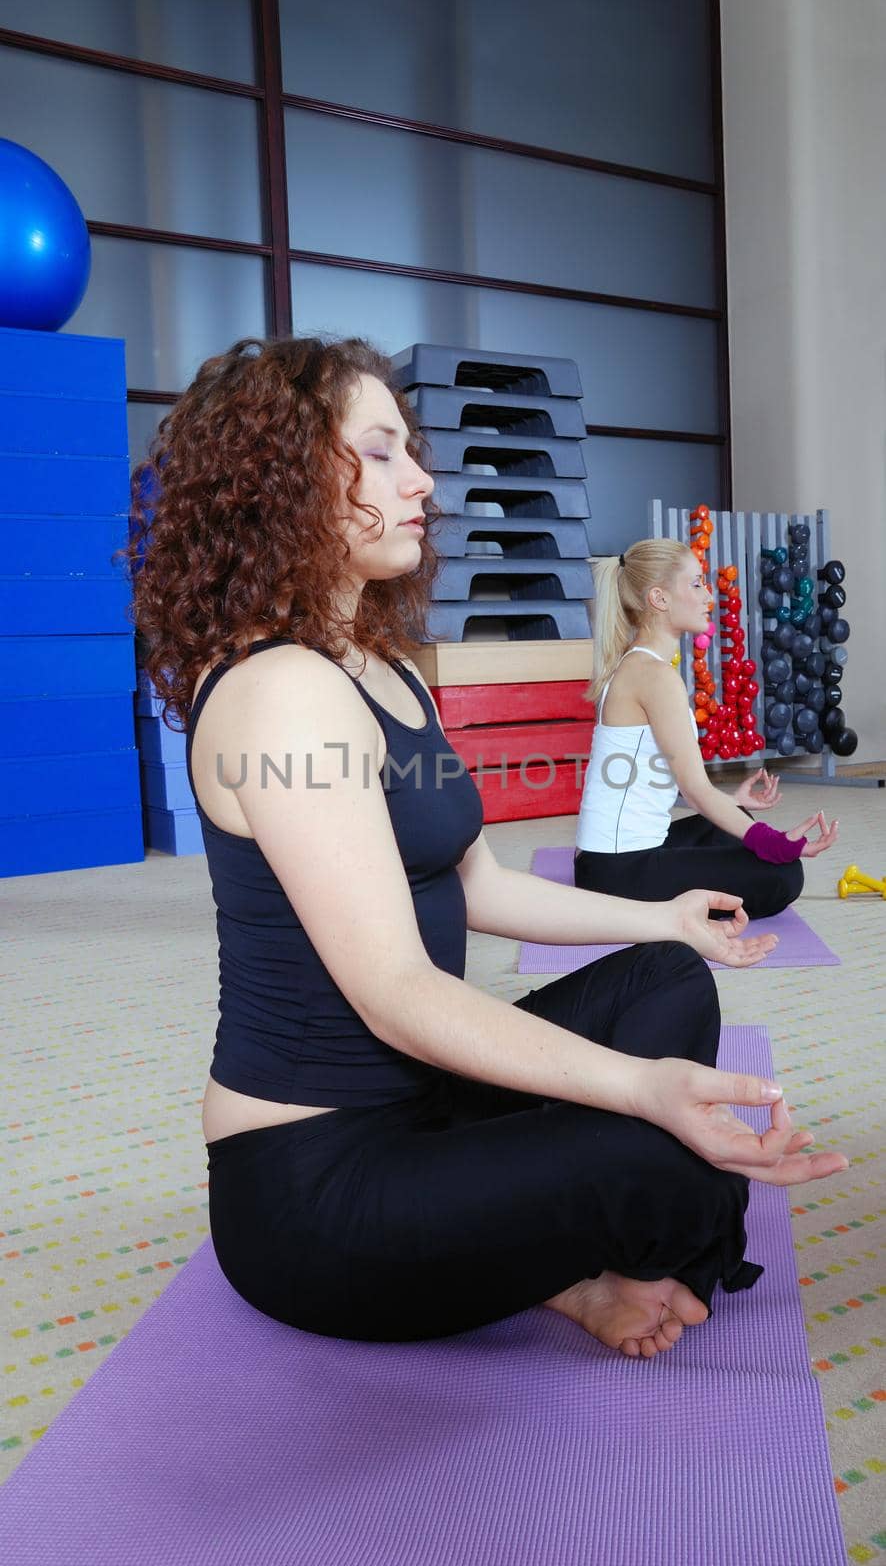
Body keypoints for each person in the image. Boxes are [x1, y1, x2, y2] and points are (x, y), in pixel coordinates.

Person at [125, 337, 847, 1361]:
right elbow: (399, 996)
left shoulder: (384, 672)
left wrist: (661, 914)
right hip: (313, 1185)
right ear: (277, 481)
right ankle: (575, 1265)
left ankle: (561, 1251)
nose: (421, 479)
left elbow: (478, 884)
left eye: (409, 450)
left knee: (666, 980)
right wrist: (639, 1089)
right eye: (378, 453)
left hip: (426, 1105)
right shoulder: (278, 693)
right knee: (664, 1157)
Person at [575, 540, 839, 918]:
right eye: (696, 584)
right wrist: (780, 844)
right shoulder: (654, 677)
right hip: (615, 875)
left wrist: (732, 800)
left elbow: (656, 778)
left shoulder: (638, 665)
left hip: (607, 859)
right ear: (659, 599)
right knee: (784, 875)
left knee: (737, 825)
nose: (709, 596)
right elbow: (696, 792)